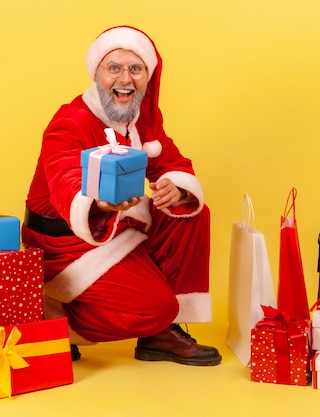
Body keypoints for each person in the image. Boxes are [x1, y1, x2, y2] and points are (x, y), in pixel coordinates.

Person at [22, 25, 221, 366]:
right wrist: (95, 203)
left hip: (115, 227)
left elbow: (171, 161)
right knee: (155, 307)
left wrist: (176, 187)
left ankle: (160, 332)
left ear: (147, 76)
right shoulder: (70, 122)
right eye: (114, 68)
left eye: (135, 69)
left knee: (190, 212)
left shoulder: (140, 119)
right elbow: (64, 176)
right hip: (64, 243)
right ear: (97, 72)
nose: (124, 79)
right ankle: (53, 324)